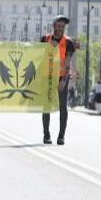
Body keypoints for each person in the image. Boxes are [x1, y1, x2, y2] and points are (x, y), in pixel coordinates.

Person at [39, 16, 77, 145]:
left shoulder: (68, 42)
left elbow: (67, 63)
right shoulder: (45, 39)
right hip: (47, 77)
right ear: (54, 26)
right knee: (46, 107)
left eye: (63, 27)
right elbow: (38, 57)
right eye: (59, 26)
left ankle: (61, 136)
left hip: (61, 77)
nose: (61, 29)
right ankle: (46, 135)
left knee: (63, 107)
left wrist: (64, 80)